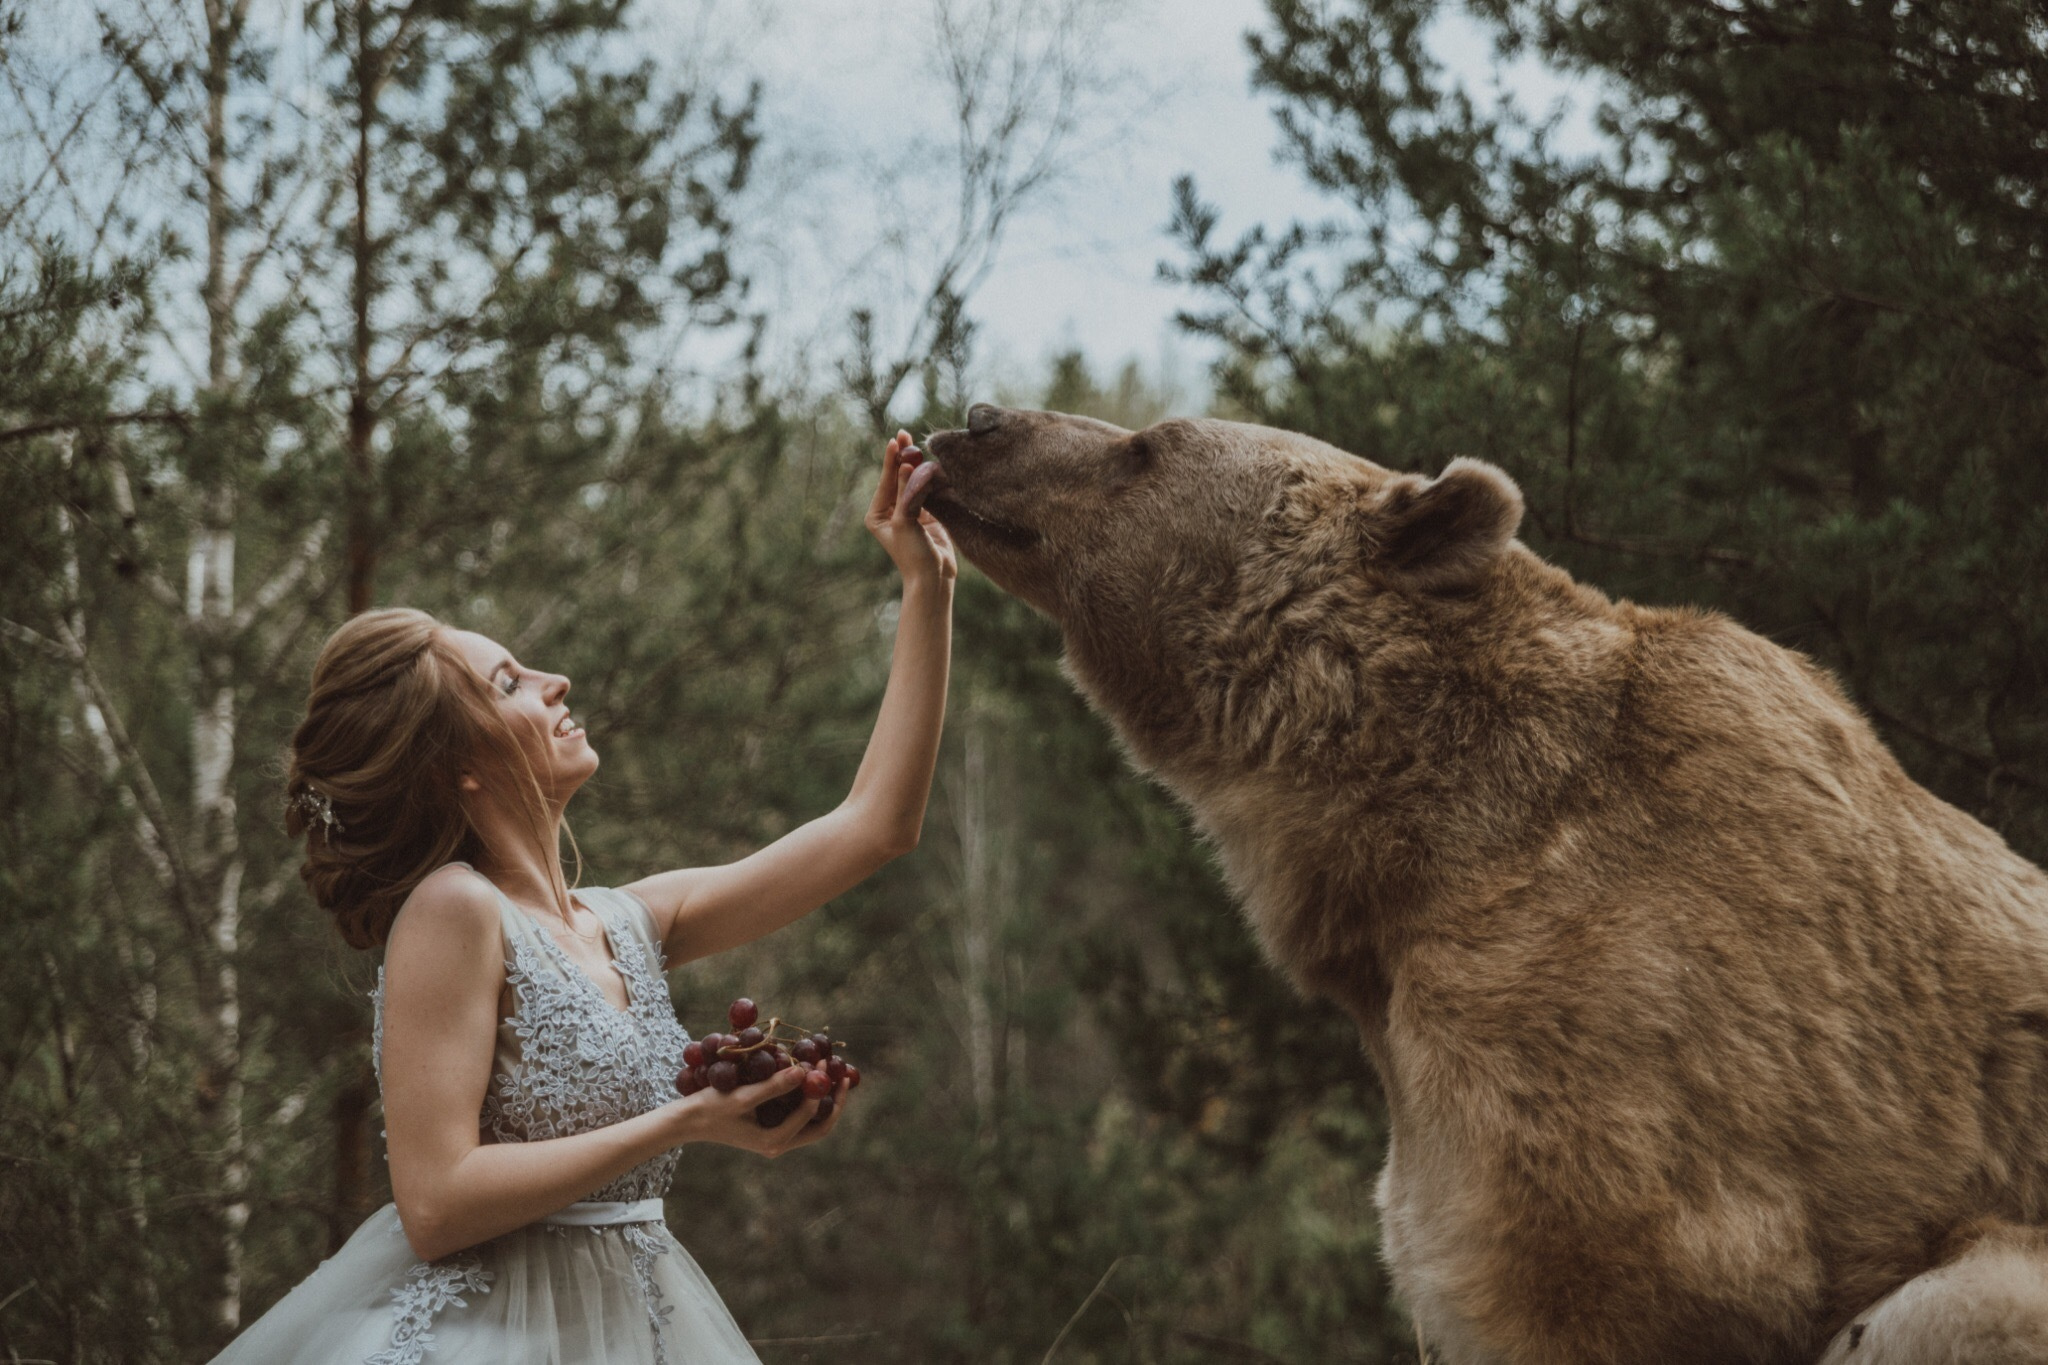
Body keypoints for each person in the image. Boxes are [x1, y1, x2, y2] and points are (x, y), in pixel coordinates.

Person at [206, 432, 954, 1365]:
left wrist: (926, 586)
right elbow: (435, 1206)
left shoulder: (630, 920)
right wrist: (688, 1119)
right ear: (459, 767)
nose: (556, 681)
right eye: (509, 682)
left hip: (635, 1321)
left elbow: (876, 824)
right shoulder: (453, 909)